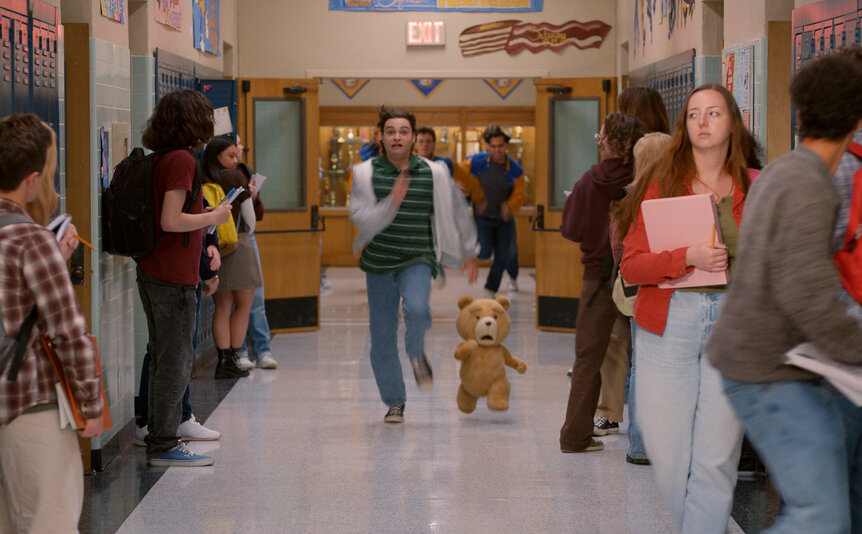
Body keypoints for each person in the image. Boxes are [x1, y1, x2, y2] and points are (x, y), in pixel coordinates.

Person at [707, 50, 862, 533]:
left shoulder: (785, 169)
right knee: (821, 515)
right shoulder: (810, 184)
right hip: (768, 372)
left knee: (817, 506)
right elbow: (806, 293)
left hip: (776, 365)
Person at [614, 84, 758, 533]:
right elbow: (632, 266)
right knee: (671, 457)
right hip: (669, 324)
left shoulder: (757, 184)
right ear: (683, 126)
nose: (703, 121)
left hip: (733, 328)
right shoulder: (661, 186)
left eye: (714, 113)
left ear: (732, 122)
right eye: (694, 113)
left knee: (717, 458)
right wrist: (687, 258)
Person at [0, 113, 104, 531]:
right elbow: (68, 332)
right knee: (50, 521)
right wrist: (91, 405)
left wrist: (54, 262)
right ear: (33, 179)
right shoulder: (32, 240)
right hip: (30, 406)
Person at [350, 106, 479, 424]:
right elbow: (360, 217)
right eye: (391, 131)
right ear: (380, 137)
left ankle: (415, 349)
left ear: (414, 138)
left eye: (403, 131)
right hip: (379, 262)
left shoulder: (434, 172)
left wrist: (468, 251)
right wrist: (390, 203)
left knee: (419, 311)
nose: (397, 136)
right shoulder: (364, 174)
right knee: (381, 337)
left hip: (417, 258)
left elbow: (457, 210)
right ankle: (394, 401)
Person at [136, 90, 232, 467]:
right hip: (172, 275)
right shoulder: (181, 160)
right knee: (174, 361)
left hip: (159, 269)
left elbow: (173, 213)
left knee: (164, 358)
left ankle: (162, 432)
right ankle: (163, 443)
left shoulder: (165, 157)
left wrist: (204, 212)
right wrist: (214, 218)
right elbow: (170, 221)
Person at [558, 112, 645, 454]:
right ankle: (644, 440)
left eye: (602, 135)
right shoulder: (646, 176)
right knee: (642, 358)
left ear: (609, 142)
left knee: (588, 358)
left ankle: (575, 436)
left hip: (597, 278)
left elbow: (571, 228)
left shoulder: (592, 179)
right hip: (638, 277)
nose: (598, 140)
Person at [593, 87, 671, 457]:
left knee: (621, 335)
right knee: (635, 336)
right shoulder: (665, 152)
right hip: (652, 260)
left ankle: (612, 412)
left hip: (629, 257)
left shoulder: (642, 157)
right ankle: (635, 414)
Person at [134, 224, 222, 446]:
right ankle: (160, 430)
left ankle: (173, 420)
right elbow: (175, 222)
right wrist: (212, 218)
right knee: (170, 353)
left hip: (178, 265)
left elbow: (191, 216)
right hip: (174, 270)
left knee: (172, 351)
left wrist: (211, 239)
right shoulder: (177, 187)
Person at [201, 137, 263, 379]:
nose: (236, 160)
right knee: (244, 305)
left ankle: (222, 360)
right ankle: (235, 358)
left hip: (214, 248)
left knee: (222, 306)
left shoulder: (202, 179)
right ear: (217, 156)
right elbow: (250, 220)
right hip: (240, 245)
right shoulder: (236, 177)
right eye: (231, 156)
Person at [455, 125, 525, 297]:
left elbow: (520, 194)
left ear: (506, 146)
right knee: (485, 252)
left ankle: (490, 289)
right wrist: (468, 195)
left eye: (500, 146)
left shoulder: (515, 170)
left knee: (505, 254)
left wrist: (510, 206)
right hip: (482, 217)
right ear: (487, 146)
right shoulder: (475, 162)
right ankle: (493, 252)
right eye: (493, 146)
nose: (497, 150)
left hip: (505, 219)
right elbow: (461, 178)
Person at [233, 134, 277, 370]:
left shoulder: (244, 169)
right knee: (233, 300)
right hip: (229, 239)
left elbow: (257, 213)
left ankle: (264, 350)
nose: (241, 148)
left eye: (240, 144)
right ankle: (238, 351)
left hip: (248, 237)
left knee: (256, 297)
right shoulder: (215, 174)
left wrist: (254, 197)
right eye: (237, 144)